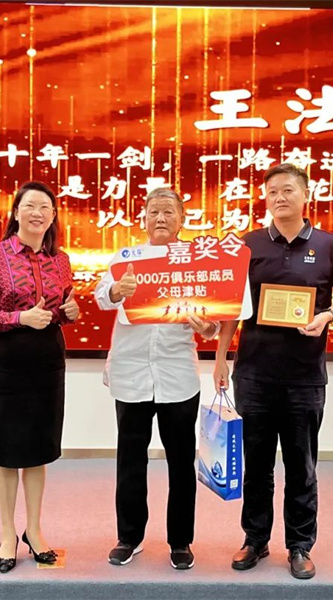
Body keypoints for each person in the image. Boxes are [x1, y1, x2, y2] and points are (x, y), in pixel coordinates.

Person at [213, 163, 333, 580]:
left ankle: (300, 545)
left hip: (304, 377)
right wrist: (221, 357)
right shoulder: (249, 244)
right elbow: (232, 308)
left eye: (288, 190)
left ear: (306, 196)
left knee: (302, 466)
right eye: (273, 192)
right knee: (256, 465)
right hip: (254, 374)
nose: (280, 198)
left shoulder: (328, 246)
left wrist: (327, 315)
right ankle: (255, 539)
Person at [94, 187, 219, 570]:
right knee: (130, 460)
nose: (160, 218)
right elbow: (101, 296)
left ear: (182, 219)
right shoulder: (126, 258)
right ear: (144, 219)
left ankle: (180, 541)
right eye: (153, 212)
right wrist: (117, 289)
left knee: (181, 463)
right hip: (131, 374)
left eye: (168, 212)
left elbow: (214, 322)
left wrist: (208, 327)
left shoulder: (197, 264)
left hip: (177, 376)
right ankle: (129, 537)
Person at [0, 181, 80, 573]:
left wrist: (69, 312)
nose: (37, 213)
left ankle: (34, 530)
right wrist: (20, 318)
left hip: (47, 361)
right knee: (6, 452)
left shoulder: (60, 259)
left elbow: (58, 310)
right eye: (30, 206)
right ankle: (7, 533)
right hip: (6, 363)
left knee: (37, 450)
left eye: (45, 208)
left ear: (53, 217)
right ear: (16, 212)